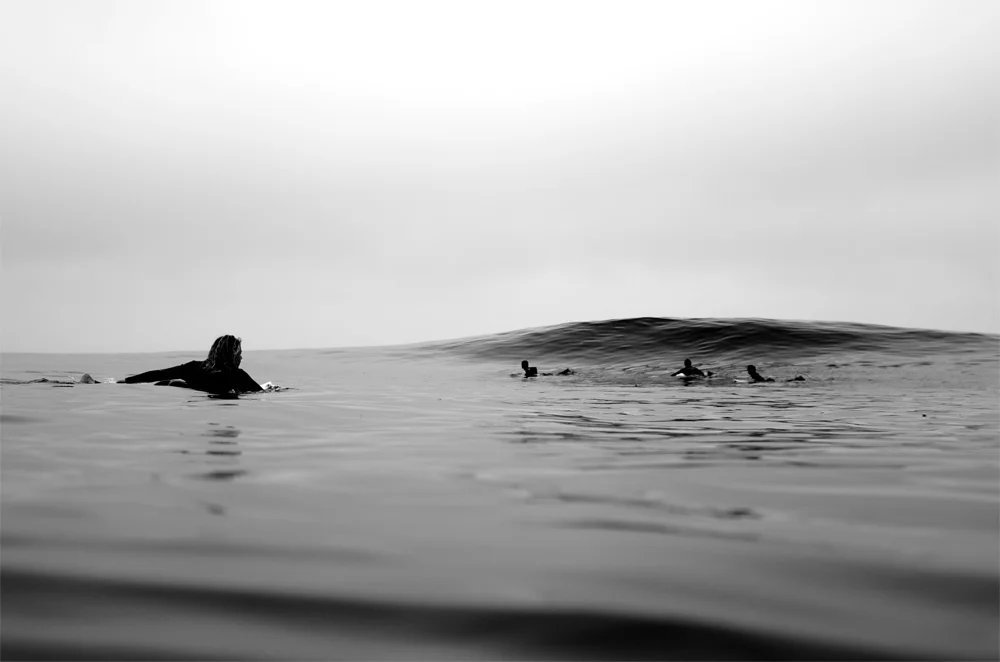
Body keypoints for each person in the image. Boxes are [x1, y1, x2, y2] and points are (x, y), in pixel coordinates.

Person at [121, 335, 263, 395]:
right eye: (239, 354)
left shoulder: (194, 367)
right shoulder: (237, 375)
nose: (241, 358)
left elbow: (159, 374)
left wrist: (126, 381)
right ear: (232, 355)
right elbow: (260, 393)